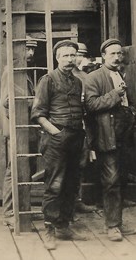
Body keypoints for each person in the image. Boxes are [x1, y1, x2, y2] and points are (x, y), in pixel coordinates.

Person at [31, 40, 87, 250]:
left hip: (76, 138)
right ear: (57, 58)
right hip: (56, 139)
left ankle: (63, 226)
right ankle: (49, 229)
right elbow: (38, 113)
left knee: (72, 184)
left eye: (73, 55)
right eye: (65, 55)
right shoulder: (48, 80)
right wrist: (57, 133)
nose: (69, 59)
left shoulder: (78, 81)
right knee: (54, 185)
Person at [84, 39, 136, 242]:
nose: (117, 57)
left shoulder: (121, 74)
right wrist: (115, 94)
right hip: (107, 136)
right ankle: (112, 226)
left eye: (119, 54)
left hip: (122, 136)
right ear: (104, 56)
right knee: (111, 181)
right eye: (112, 54)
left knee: (120, 179)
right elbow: (91, 105)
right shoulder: (94, 78)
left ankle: (118, 223)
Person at [0, 36, 37, 228]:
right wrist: (35, 101)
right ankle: (10, 212)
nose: (31, 53)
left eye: (32, 49)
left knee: (22, 169)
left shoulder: (22, 71)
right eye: (27, 49)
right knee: (14, 171)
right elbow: (7, 101)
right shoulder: (10, 71)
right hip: (16, 128)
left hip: (23, 127)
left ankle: (18, 210)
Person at [72, 43, 97, 215]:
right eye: (77, 54)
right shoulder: (65, 75)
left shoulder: (86, 76)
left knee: (81, 162)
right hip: (70, 123)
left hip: (83, 123)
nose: (79, 58)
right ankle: (71, 201)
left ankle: (77, 200)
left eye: (82, 54)